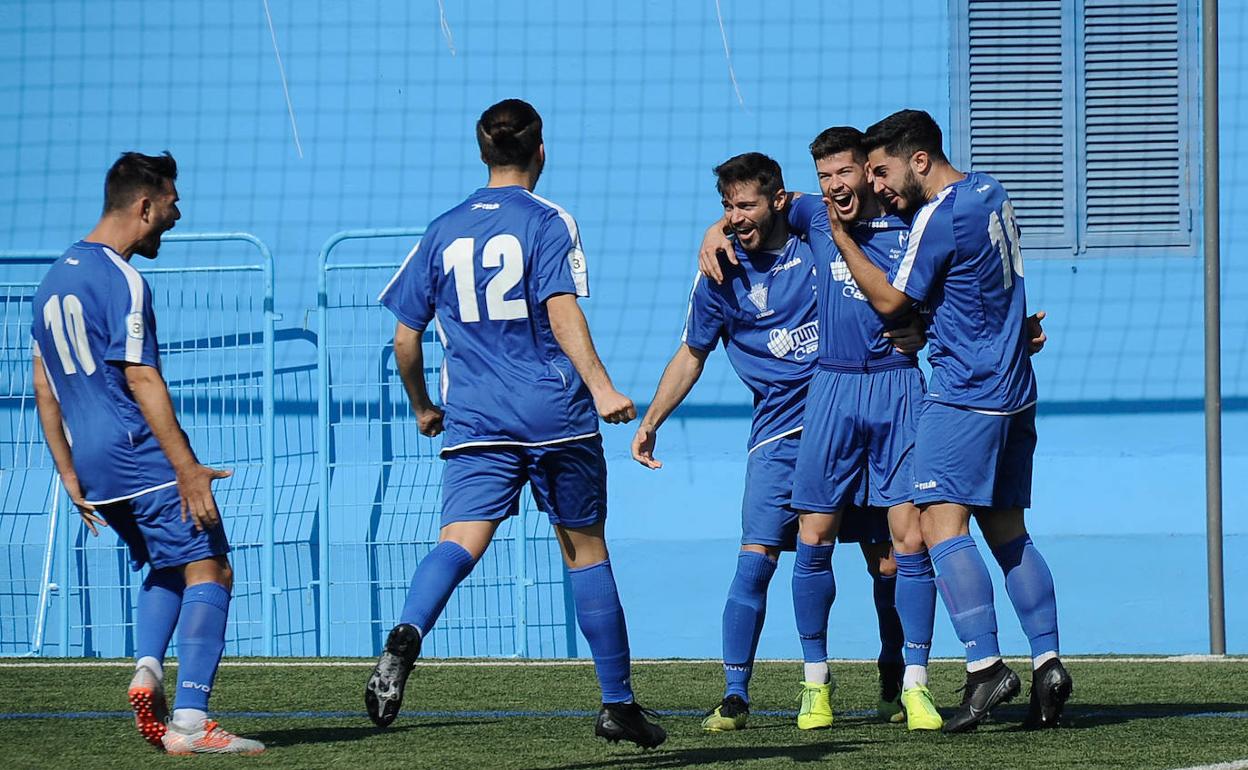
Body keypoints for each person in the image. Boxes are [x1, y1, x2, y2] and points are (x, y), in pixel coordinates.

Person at [370, 98, 665, 749]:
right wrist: (603, 386)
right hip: (553, 414)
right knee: (585, 550)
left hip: (477, 420)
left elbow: (404, 339)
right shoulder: (548, 221)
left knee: (460, 540)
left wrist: (422, 405)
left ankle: (409, 633)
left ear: (483, 153)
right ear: (540, 152)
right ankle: (618, 704)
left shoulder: (443, 230)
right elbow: (561, 312)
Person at [644, 152, 919, 733]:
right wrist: (652, 420)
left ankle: (893, 676)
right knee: (757, 557)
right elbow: (692, 353)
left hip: (848, 414)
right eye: (727, 208)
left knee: (887, 557)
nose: (736, 217)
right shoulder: (719, 272)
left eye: (746, 205)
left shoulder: (816, 239)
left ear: (777, 200)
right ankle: (736, 693)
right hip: (778, 434)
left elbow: (845, 201)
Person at [827, 108, 1071, 733]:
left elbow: (889, 299)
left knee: (938, 524)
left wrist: (845, 239)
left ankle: (985, 668)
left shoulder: (939, 215)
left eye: (881, 172)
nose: (876, 186)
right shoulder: (992, 191)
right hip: (1016, 387)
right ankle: (1047, 661)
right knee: (1008, 531)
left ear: (918, 160)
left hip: (966, 392)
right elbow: (982, 287)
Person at [30, 152, 263, 754]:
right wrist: (186, 468)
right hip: (138, 454)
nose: (177, 215)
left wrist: (67, 472)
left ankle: (148, 670)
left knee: (168, 565)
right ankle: (191, 721)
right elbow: (142, 379)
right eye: (171, 204)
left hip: (96, 468)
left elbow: (43, 388)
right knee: (212, 565)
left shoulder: (51, 281)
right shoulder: (122, 278)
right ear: (143, 206)